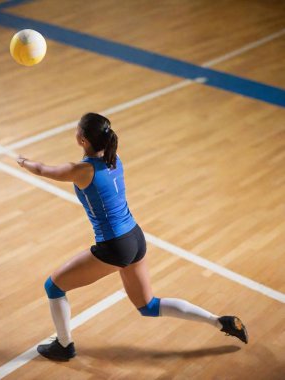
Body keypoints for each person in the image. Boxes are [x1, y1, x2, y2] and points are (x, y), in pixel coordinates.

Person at [16, 112, 248, 361]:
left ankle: (64, 345)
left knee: (54, 286)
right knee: (148, 306)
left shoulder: (81, 171)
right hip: (135, 238)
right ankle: (219, 322)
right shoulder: (115, 159)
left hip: (114, 246)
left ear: (82, 139)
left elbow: (42, 169)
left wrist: (22, 161)